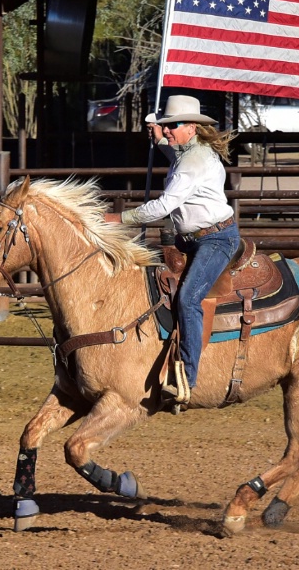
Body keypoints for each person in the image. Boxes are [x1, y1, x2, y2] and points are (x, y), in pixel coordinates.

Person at [105, 95, 239, 407]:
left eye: (172, 126)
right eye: (165, 126)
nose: (168, 131)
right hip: (193, 238)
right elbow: (174, 152)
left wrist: (118, 218)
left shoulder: (193, 162)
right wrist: (159, 135)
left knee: (188, 297)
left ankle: (186, 378)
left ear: (191, 127)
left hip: (215, 240)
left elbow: (164, 206)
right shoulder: (190, 151)